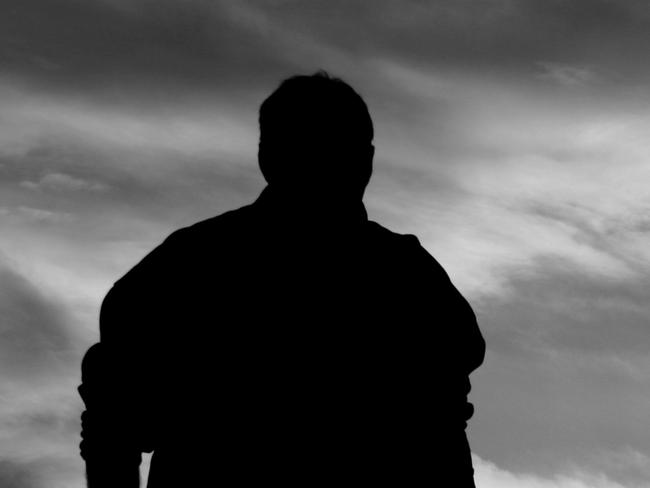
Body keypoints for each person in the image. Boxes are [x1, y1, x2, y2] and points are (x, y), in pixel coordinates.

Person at [78, 71, 485, 487]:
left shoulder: (184, 266)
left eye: (337, 147)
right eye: (310, 146)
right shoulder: (412, 282)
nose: (325, 163)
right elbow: (112, 414)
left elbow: (445, 431)